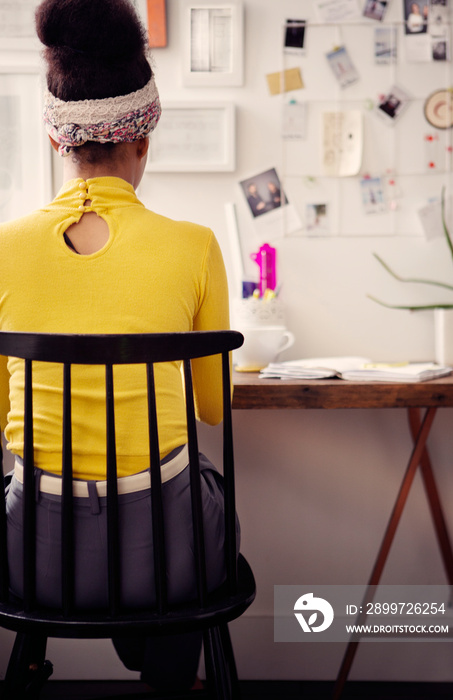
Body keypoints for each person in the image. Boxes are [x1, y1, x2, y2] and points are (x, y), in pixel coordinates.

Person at [1, 0, 237, 692]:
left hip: (32, 561)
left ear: (55, 139)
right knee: (202, 498)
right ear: (147, 134)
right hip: (161, 562)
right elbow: (214, 410)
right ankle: (165, 676)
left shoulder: (3, 252)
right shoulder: (193, 247)